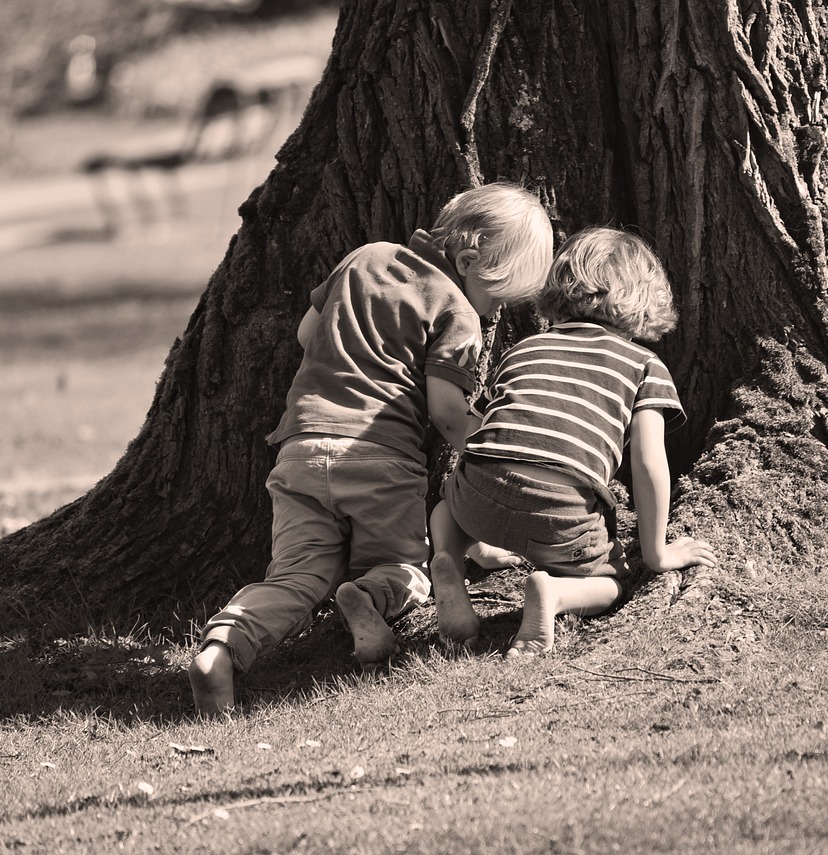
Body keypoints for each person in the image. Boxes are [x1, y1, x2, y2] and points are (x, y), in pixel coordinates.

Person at [189, 183, 555, 716]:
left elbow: (306, 333)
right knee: (402, 566)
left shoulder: (366, 256)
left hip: (302, 449)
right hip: (382, 458)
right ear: (468, 261)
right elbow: (446, 412)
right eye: (499, 295)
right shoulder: (458, 313)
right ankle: (371, 594)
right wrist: (497, 460)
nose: (498, 309)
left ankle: (222, 647)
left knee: (295, 577)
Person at [430, 227, 717, 657]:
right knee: (611, 583)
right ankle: (555, 593)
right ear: (646, 299)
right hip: (560, 513)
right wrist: (657, 553)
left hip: (478, 493)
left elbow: (488, 430)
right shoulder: (644, 365)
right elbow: (648, 462)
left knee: (444, 508)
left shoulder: (525, 348)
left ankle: (448, 560)